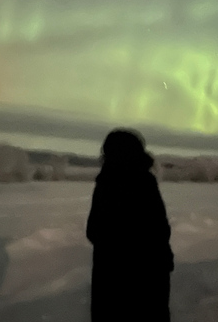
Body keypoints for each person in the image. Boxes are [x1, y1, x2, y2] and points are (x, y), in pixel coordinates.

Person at [86, 128, 174, 322]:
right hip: (148, 276)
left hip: (111, 278)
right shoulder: (145, 182)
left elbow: (93, 231)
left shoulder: (105, 184)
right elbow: (160, 229)